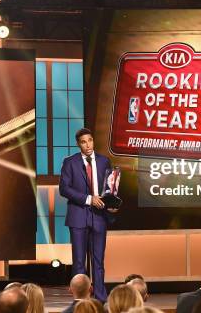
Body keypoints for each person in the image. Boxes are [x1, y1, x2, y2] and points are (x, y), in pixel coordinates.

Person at [59, 128, 117, 302]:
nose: (88, 144)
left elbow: (109, 188)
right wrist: (88, 199)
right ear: (79, 144)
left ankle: (100, 298)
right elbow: (64, 188)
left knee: (98, 262)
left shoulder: (104, 161)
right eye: (84, 142)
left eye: (90, 140)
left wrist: (111, 204)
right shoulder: (70, 162)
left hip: (99, 217)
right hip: (78, 217)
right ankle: (81, 298)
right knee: (78, 262)